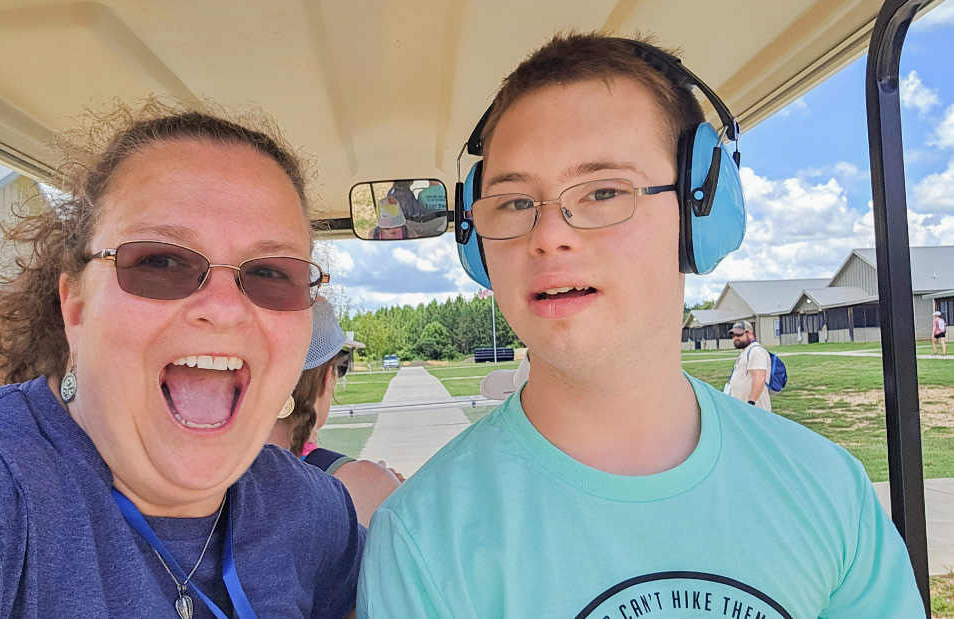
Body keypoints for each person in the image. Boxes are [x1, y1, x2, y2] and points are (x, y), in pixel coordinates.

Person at [358, 32, 923, 618]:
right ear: (479, 244)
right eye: (515, 202)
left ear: (700, 215)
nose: (549, 234)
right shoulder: (423, 539)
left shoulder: (828, 491)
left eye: (605, 191)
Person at [0, 100, 364, 618]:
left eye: (272, 273)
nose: (226, 308)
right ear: (74, 305)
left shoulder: (314, 516)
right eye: (160, 261)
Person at [268, 299, 401, 527]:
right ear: (326, 378)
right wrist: (389, 488)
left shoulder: (213, 480)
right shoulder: (367, 486)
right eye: (342, 367)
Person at [723, 320, 772, 411]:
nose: (735, 338)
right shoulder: (745, 351)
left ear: (749, 333)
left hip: (754, 409)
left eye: (739, 335)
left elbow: (760, 377)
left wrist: (751, 403)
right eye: (733, 335)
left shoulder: (756, 351)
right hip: (742, 407)